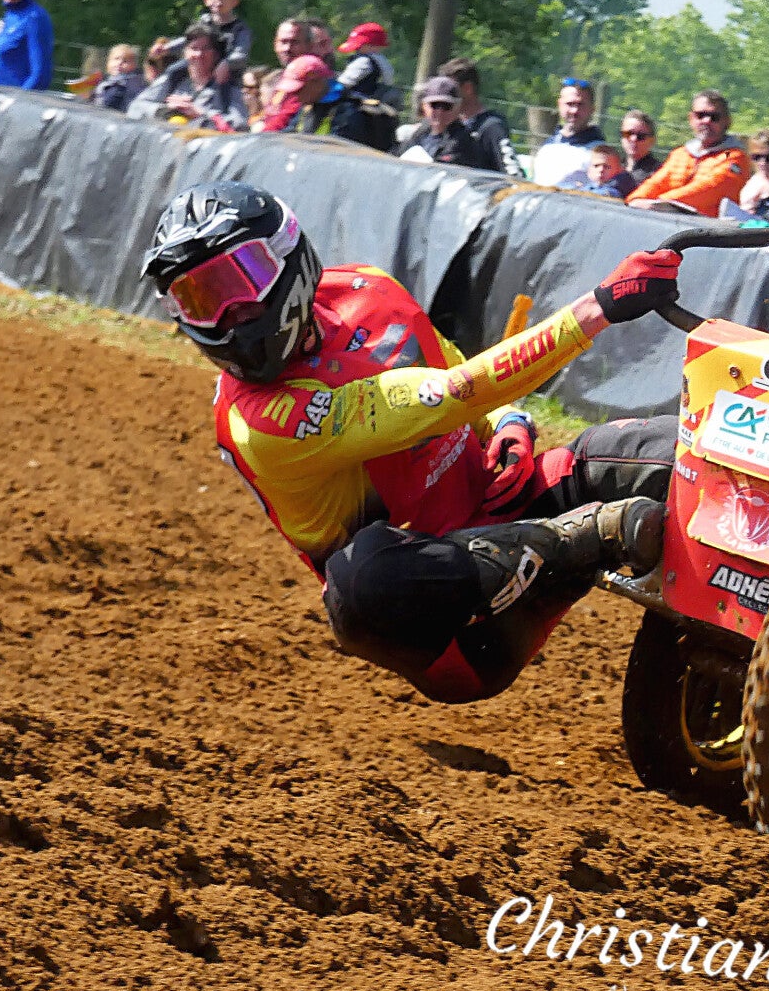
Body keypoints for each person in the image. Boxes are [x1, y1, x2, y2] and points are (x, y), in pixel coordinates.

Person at [141, 181, 680, 704]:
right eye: (198, 300)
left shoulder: (368, 289)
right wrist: (598, 308)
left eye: (236, 282)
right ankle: (585, 539)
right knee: (358, 580)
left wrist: (508, 421)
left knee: (679, 452)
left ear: (286, 253)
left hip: (514, 503)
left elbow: (456, 370)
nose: (227, 316)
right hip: (461, 626)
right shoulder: (260, 423)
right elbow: (451, 394)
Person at [627, 89, 750, 215]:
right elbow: (656, 183)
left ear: (727, 121)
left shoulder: (734, 157)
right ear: (691, 118)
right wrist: (635, 199)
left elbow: (709, 189)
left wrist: (658, 203)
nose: (706, 121)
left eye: (714, 117)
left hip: (708, 225)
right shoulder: (681, 154)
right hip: (668, 219)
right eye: (700, 115)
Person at [129, 24, 247, 131]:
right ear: (185, 52)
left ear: (216, 54)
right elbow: (135, 107)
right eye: (194, 48)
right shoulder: (174, 78)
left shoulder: (227, 87)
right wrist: (166, 110)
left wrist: (200, 115)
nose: (199, 54)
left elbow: (240, 127)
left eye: (206, 49)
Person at [162, 0, 253, 82]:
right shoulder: (203, 23)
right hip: (201, 71)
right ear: (206, 0)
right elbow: (187, 41)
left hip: (226, 78)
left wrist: (227, 63)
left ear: (234, 1)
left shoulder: (240, 29)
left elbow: (240, 54)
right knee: (172, 71)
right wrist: (166, 48)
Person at [392, 76, 497, 169]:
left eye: (446, 106)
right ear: (424, 106)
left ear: (457, 107)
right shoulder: (420, 133)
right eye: (434, 105)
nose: (439, 111)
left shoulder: (463, 141)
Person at [440, 57, 512, 174]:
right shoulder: (450, 126)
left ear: (468, 88)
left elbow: (513, 172)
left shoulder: (491, 127)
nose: (445, 96)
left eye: (451, 90)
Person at [531, 78, 606, 187]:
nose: (574, 111)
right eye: (570, 104)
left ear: (592, 109)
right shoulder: (548, 146)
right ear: (559, 105)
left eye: (580, 104)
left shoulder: (600, 153)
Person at [559, 144, 636, 199]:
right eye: (596, 166)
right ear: (589, 170)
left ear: (618, 170)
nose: (601, 170)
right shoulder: (583, 186)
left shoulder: (613, 192)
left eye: (607, 167)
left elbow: (598, 196)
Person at [92, 43, 146, 112]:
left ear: (134, 66)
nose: (120, 63)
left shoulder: (132, 84)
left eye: (125, 61)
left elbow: (110, 103)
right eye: (116, 59)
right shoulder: (103, 80)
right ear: (108, 62)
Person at [618, 110, 661, 185]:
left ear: (652, 140)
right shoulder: (612, 168)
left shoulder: (658, 173)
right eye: (628, 134)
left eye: (640, 136)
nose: (633, 139)